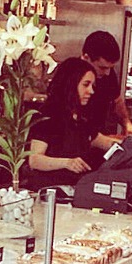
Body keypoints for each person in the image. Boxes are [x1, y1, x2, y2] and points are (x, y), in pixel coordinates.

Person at [26, 58, 119, 192]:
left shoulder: (81, 117)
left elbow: (100, 140)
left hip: (76, 189)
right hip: (50, 191)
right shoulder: (47, 116)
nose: (91, 91)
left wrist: (129, 146)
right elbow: (35, 160)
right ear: (70, 84)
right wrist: (67, 163)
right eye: (86, 85)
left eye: (92, 86)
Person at [81, 31, 132, 138]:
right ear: (86, 58)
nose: (107, 73)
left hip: (100, 135)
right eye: (102, 67)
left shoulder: (108, 74)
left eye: (110, 68)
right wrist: (106, 140)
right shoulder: (70, 77)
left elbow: (117, 101)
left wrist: (127, 123)